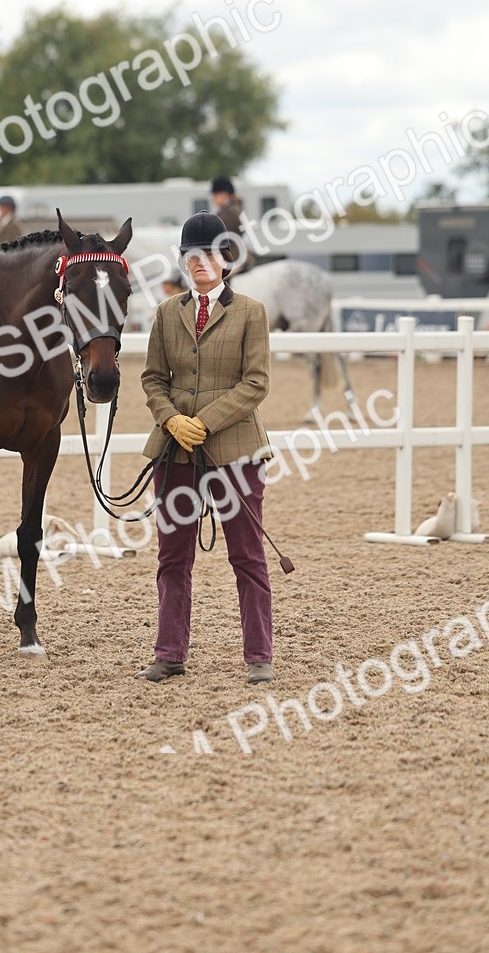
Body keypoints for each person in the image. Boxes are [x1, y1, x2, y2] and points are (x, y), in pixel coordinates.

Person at [135, 210, 275, 685]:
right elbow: (153, 378)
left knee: (247, 555)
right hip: (175, 451)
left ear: (225, 259)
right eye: (189, 255)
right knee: (172, 556)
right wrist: (172, 418)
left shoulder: (250, 312)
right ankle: (169, 652)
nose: (198, 263)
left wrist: (203, 421)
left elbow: (256, 383)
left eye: (207, 254)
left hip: (235, 450)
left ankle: (259, 654)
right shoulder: (165, 314)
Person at [210, 175, 254, 270]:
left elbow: (214, 236)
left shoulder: (229, 213)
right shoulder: (231, 209)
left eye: (215, 194)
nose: (213, 198)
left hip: (234, 258)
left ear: (224, 194)